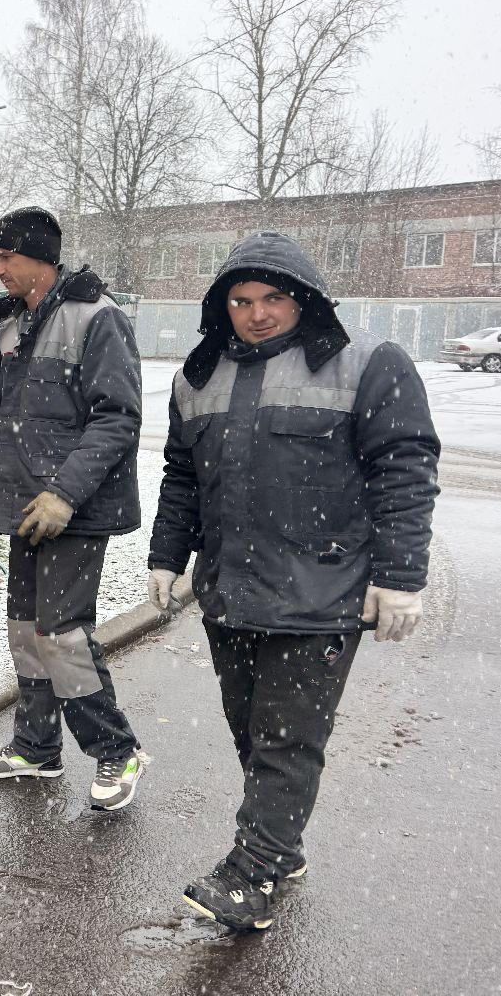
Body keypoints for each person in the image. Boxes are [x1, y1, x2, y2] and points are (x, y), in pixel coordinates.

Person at [148, 230, 440, 931]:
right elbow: (181, 477)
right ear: (224, 306)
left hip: (323, 594)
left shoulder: (368, 364)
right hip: (230, 593)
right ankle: (282, 848)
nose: (258, 313)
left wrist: (400, 576)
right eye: (242, 300)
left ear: (304, 297)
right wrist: (167, 557)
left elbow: (404, 469)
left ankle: (250, 877)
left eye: (274, 298)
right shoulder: (198, 376)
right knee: (251, 732)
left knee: (286, 741)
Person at [0, 206, 150, 811]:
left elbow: (118, 417)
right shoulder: (13, 324)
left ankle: (115, 751)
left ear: (40, 260)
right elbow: (7, 425)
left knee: (62, 636)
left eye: (5, 258)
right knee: (26, 631)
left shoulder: (98, 320)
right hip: (25, 510)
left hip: (76, 510)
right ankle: (36, 748)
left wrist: (65, 492)